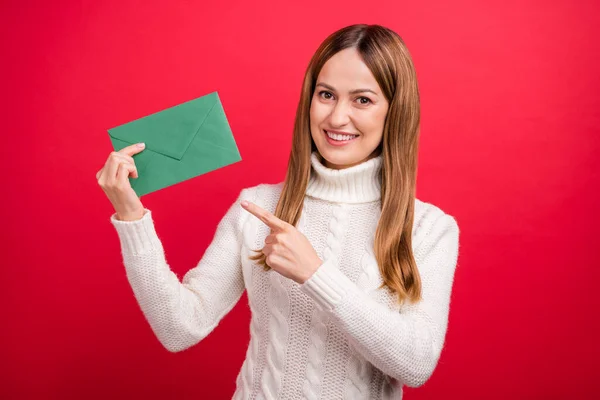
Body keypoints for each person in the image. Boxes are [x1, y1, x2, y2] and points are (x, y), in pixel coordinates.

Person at [96, 23, 460, 400]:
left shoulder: (429, 229)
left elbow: (416, 364)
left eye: (362, 100)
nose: (336, 118)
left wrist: (315, 273)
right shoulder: (258, 207)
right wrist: (131, 217)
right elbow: (179, 328)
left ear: (394, 112)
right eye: (326, 95)